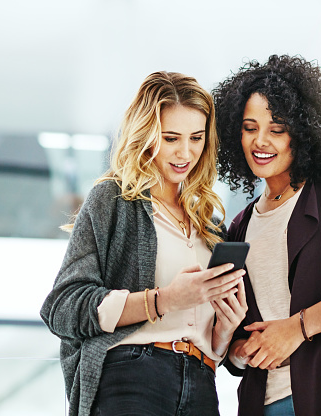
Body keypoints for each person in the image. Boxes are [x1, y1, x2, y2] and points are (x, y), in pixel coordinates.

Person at [40, 71, 248, 416]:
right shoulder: (114, 200)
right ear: (147, 135)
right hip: (133, 376)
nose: (186, 152)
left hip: (201, 383)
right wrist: (163, 299)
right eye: (171, 138)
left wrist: (225, 327)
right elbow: (61, 307)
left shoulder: (210, 225)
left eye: (196, 138)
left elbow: (209, 342)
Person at [212, 55, 321, 416]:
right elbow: (236, 334)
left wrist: (297, 328)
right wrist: (240, 351)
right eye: (249, 127)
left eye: (277, 128)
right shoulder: (240, 227)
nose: (260, 141)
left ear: (304, 131)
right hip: (266, 401)